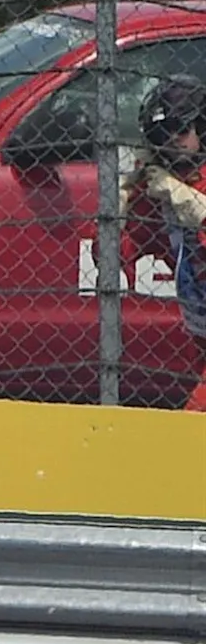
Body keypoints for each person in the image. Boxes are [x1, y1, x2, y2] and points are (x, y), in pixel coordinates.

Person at [127, 76, 206, 408]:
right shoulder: (163, 186)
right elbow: (123, 249)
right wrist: (127, 196)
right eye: (163, 132)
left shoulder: (181, 188)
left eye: (181, 128)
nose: (173, 139)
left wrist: (185, 200)